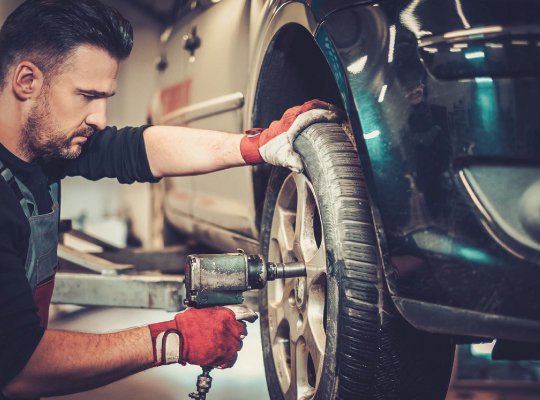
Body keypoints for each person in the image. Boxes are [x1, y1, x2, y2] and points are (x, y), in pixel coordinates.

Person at [0, 0, 342, 398]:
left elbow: (136, 148)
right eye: (87, 95)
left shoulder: (42, 150)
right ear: (26, 81)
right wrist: (173, 339)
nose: (100, 118)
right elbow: (19, 367)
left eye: (106, 97)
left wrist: (255, 145)